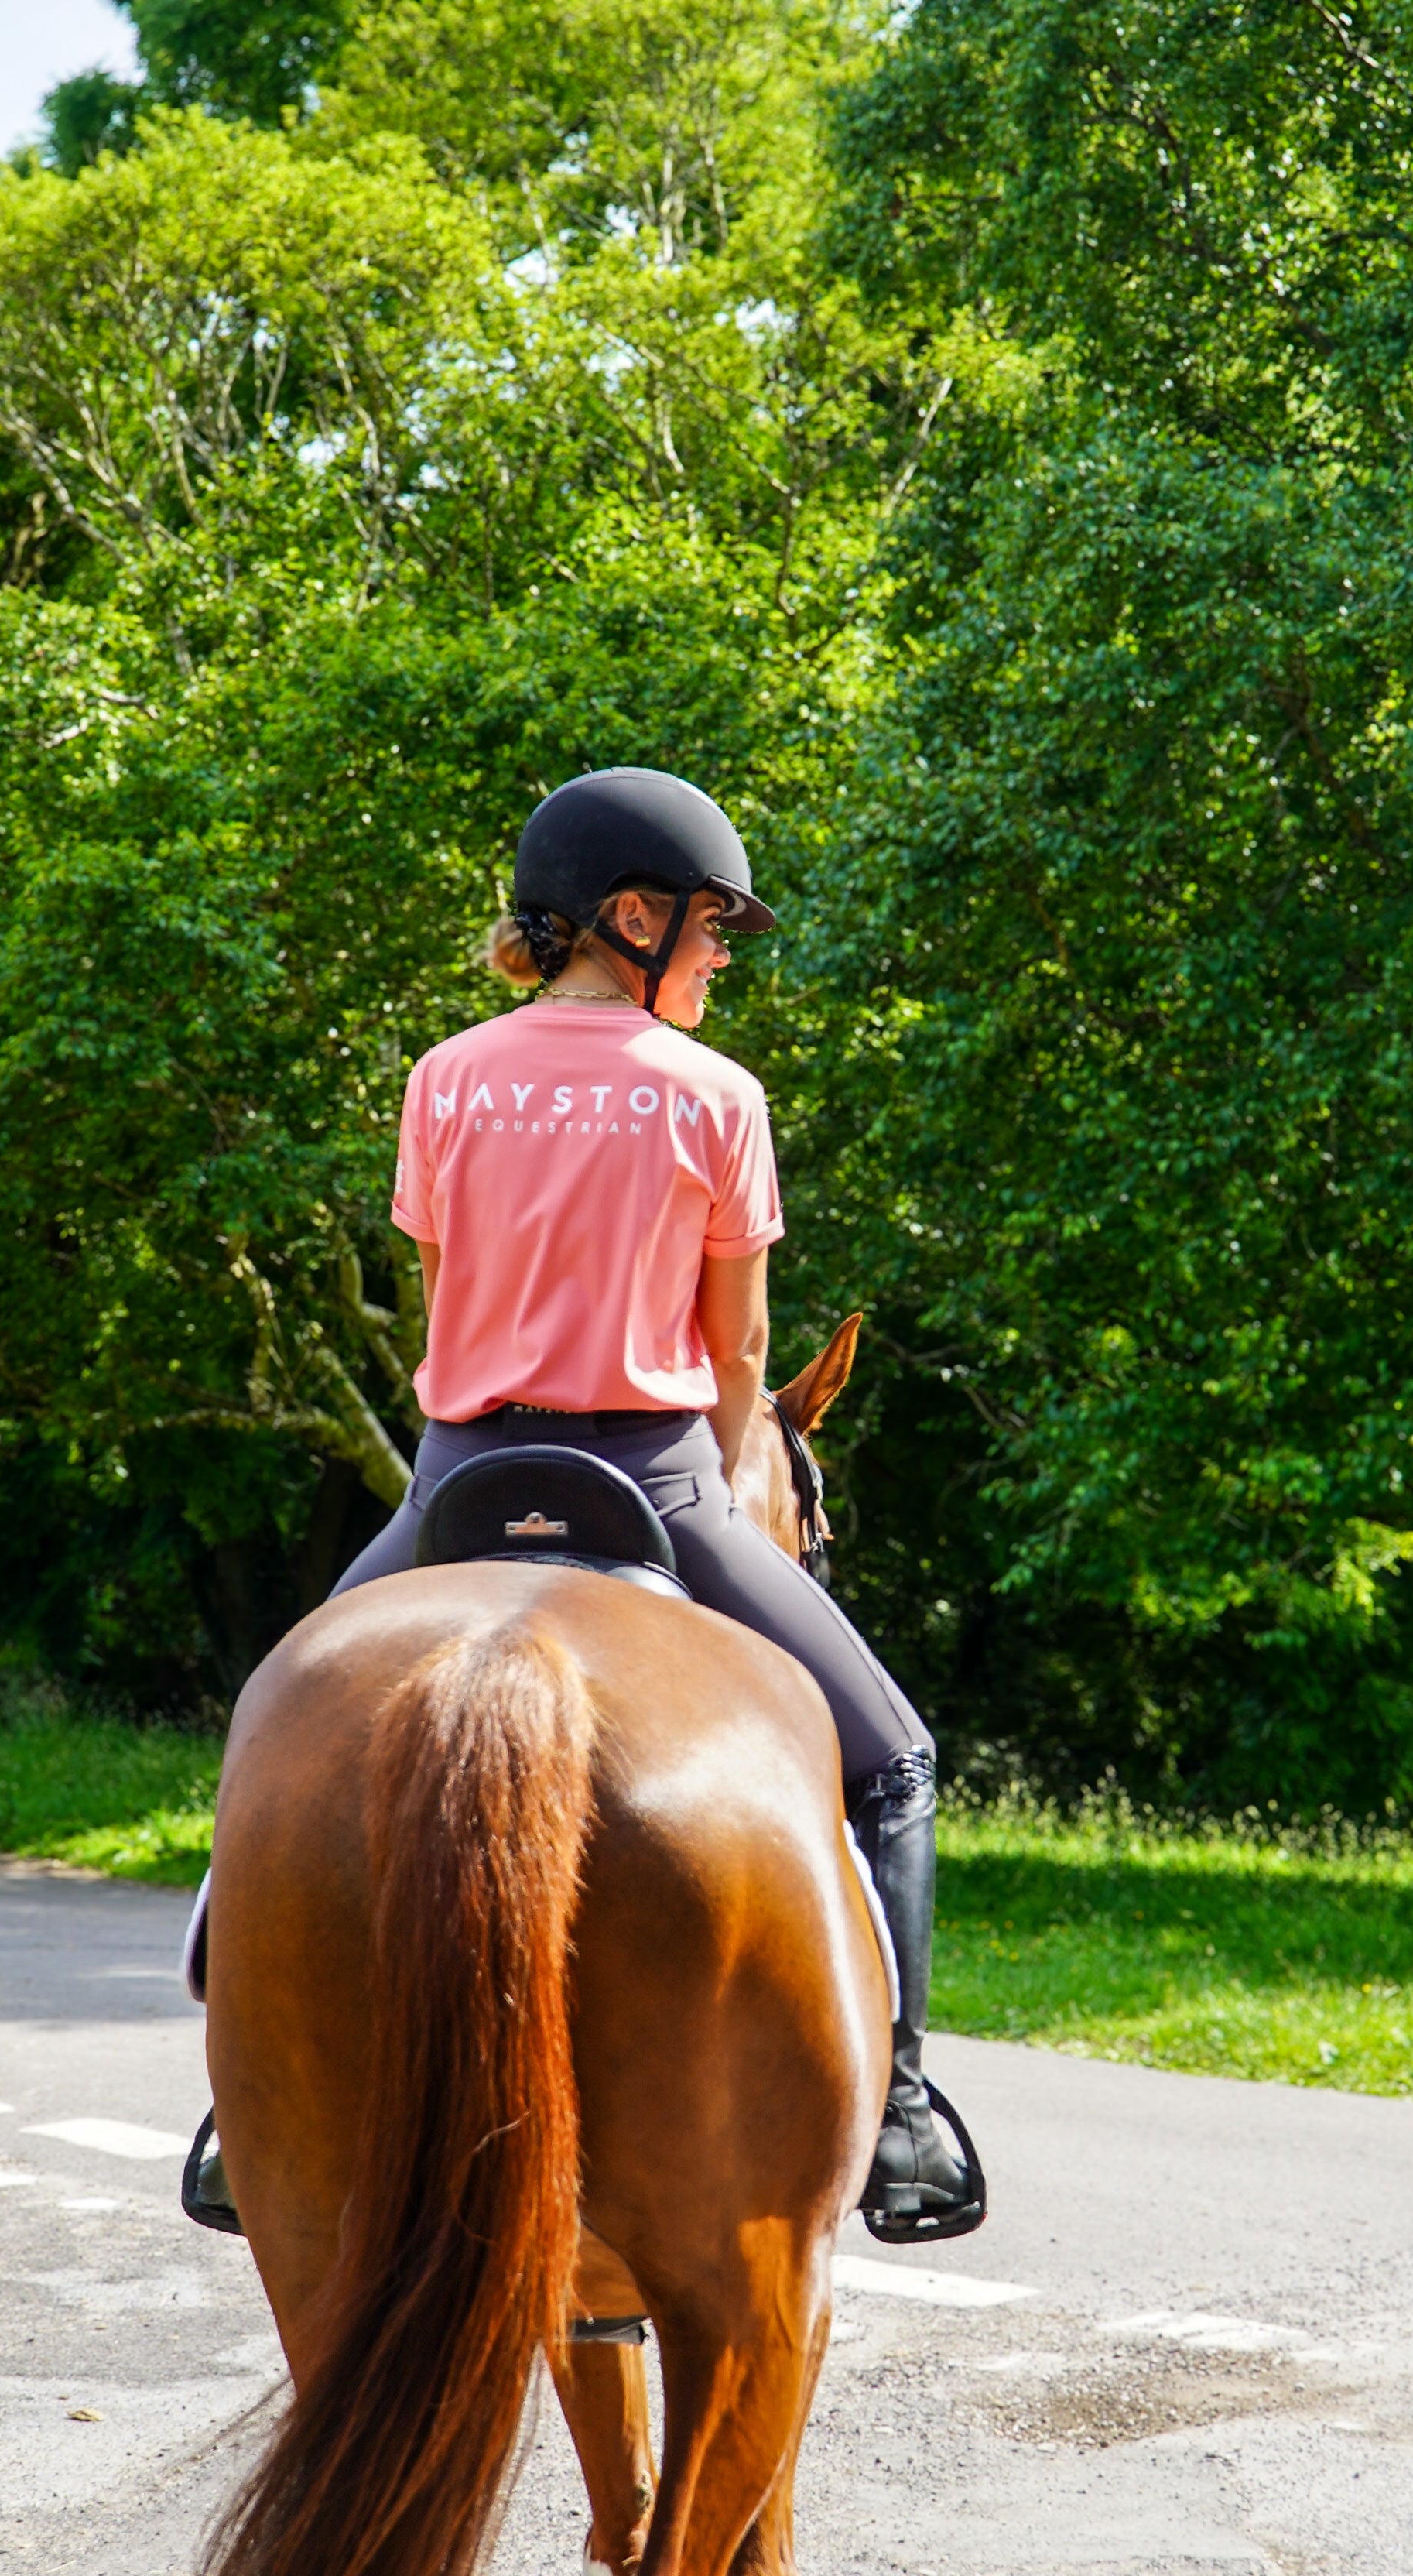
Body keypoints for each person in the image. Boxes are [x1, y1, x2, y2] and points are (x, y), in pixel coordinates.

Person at [326, 766, 977, 2243]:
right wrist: (728, 1474)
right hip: (659, 1483)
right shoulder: (718, 1096)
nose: (723, 951)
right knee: (893, 1764)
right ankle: (908, 2114)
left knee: (272, 1722)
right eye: (710, 926)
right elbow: (741, 1352)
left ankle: (243, 2107)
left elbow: (445, 1309)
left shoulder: (446, 1075)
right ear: (632, 916)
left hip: (456, 1481)